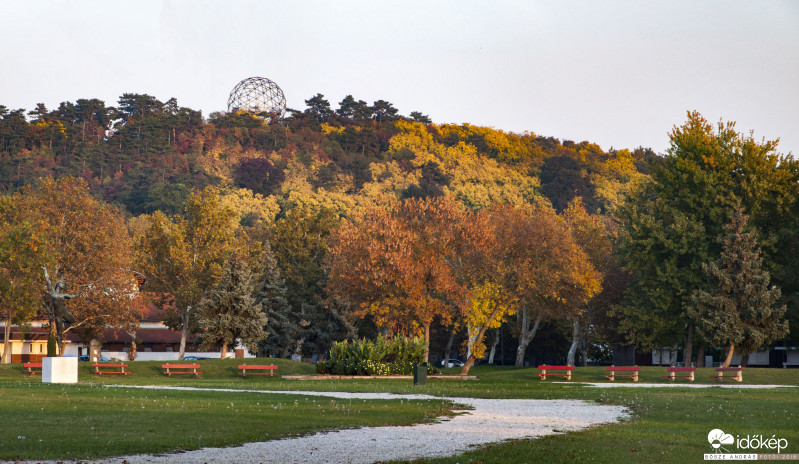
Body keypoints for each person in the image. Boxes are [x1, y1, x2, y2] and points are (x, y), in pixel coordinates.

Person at [43, 266, 79, 349]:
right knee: (59, 333)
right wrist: (45, 271)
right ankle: (59, 349)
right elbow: (48, 281)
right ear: (58, 284)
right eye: (62, 283)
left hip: (64, 312)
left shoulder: (64, 295)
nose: (64, 285)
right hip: (58, 315)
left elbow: (72, 296)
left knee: (73, 320)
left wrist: (79, 294)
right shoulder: (52, 293)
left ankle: (64, 320)